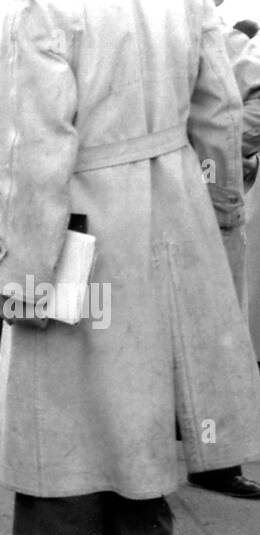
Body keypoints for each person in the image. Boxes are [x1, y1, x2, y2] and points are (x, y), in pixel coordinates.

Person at [0, 0, 260, 535]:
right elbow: (221, 109)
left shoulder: (44, 8)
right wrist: (218, 212)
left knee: (58, 440)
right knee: (141, 415)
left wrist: (23, 272)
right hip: (173, 213)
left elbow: (34, 144)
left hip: (79, 230)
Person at [192, 1, 260, 498]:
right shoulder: (209, 30)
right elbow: (233, 116)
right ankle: (212, 459)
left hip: (183, 187)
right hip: (207, 192)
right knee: (216, 329)